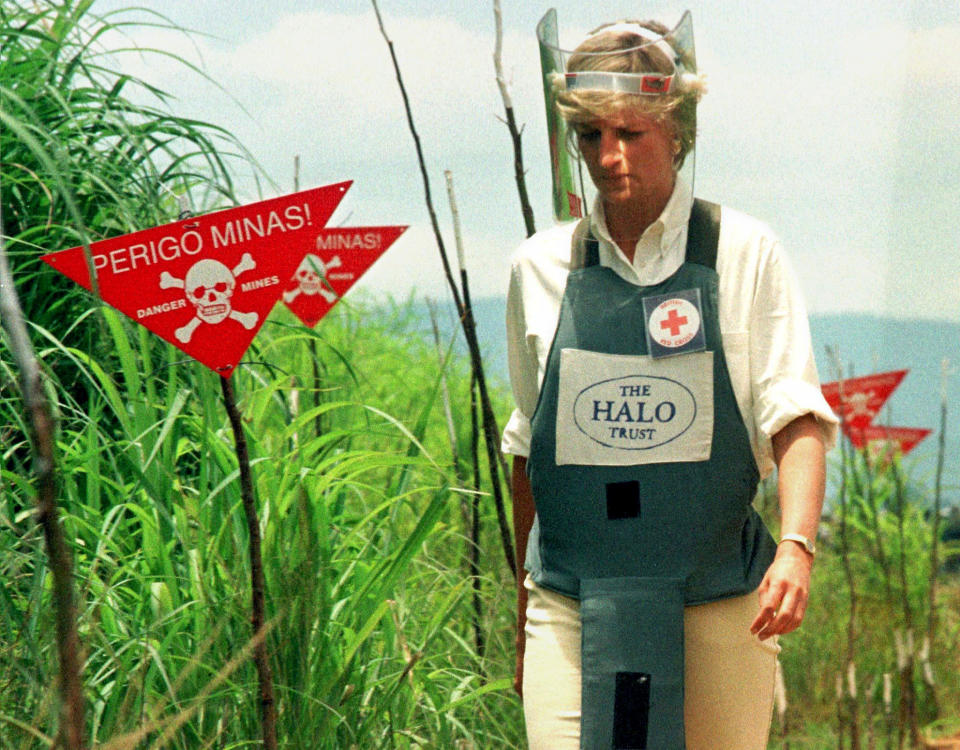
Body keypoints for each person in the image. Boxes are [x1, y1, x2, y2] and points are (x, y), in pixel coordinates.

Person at [502, 11, 839, 750]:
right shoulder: (538, 268)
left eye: (631, 134)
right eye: (591, 136)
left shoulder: (744, 252)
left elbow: (796, 418)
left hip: (717, 597)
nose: (610, 156)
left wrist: (796, 548)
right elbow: (532, 448)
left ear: (678, 129)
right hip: (570, 601)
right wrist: (521, 604)